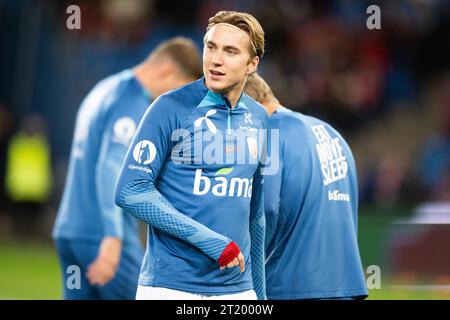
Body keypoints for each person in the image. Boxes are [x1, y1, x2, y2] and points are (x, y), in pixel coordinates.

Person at [115, 11, 268, 300]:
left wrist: (259, 295)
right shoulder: (169, 108)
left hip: (237, 291)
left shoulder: (259, 118)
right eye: (211, 47)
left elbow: (255, 214)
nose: (215, 59)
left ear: (252, 64)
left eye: (230, 51)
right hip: (168, 287)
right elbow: (131, 191)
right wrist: (211, 242)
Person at [52, 37, 202, 300]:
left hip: (70, 233)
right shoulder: (132, 102)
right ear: (167, 72)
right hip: (103, 236)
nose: (176, 102)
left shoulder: (105, 88)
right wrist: (112, 236)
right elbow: (110, 166)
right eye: (179, 90)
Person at [244, 73, 368, 300]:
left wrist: (248, 269)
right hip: (345, 285)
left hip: (291, 287)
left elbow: (267, 208)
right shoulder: (331, 133)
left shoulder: (268, 132)